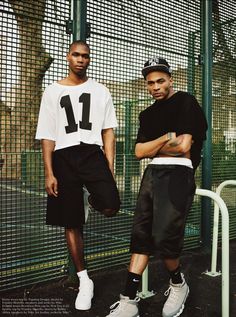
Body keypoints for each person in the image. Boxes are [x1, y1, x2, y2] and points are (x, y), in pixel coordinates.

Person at [106, 57, 207, 317]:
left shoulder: (186, 102)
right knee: (141, 236)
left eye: (160, 80)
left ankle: (178, 284)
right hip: (152, 174)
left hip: (179, 174)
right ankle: (128, 300)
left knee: (164, 238)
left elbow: (184, 147)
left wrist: (154, 146)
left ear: (170, 79)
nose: (156, 87)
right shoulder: (147, 114)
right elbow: (138, 151)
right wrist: (165, 138)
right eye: (150, 83)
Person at [35, 40, 120, 311]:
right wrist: (49, 172)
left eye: (85, 55)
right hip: (63, 156)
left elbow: (108, 130)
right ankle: (85, 280)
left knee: (110, 204)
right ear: (67, 56)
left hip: (92, 154)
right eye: (76, 54)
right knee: (71, 222)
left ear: (89, 59)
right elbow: (47, 135)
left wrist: (110, 164)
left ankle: (90, 199)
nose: (80, 59)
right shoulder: (52, 91)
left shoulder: (101, 90)